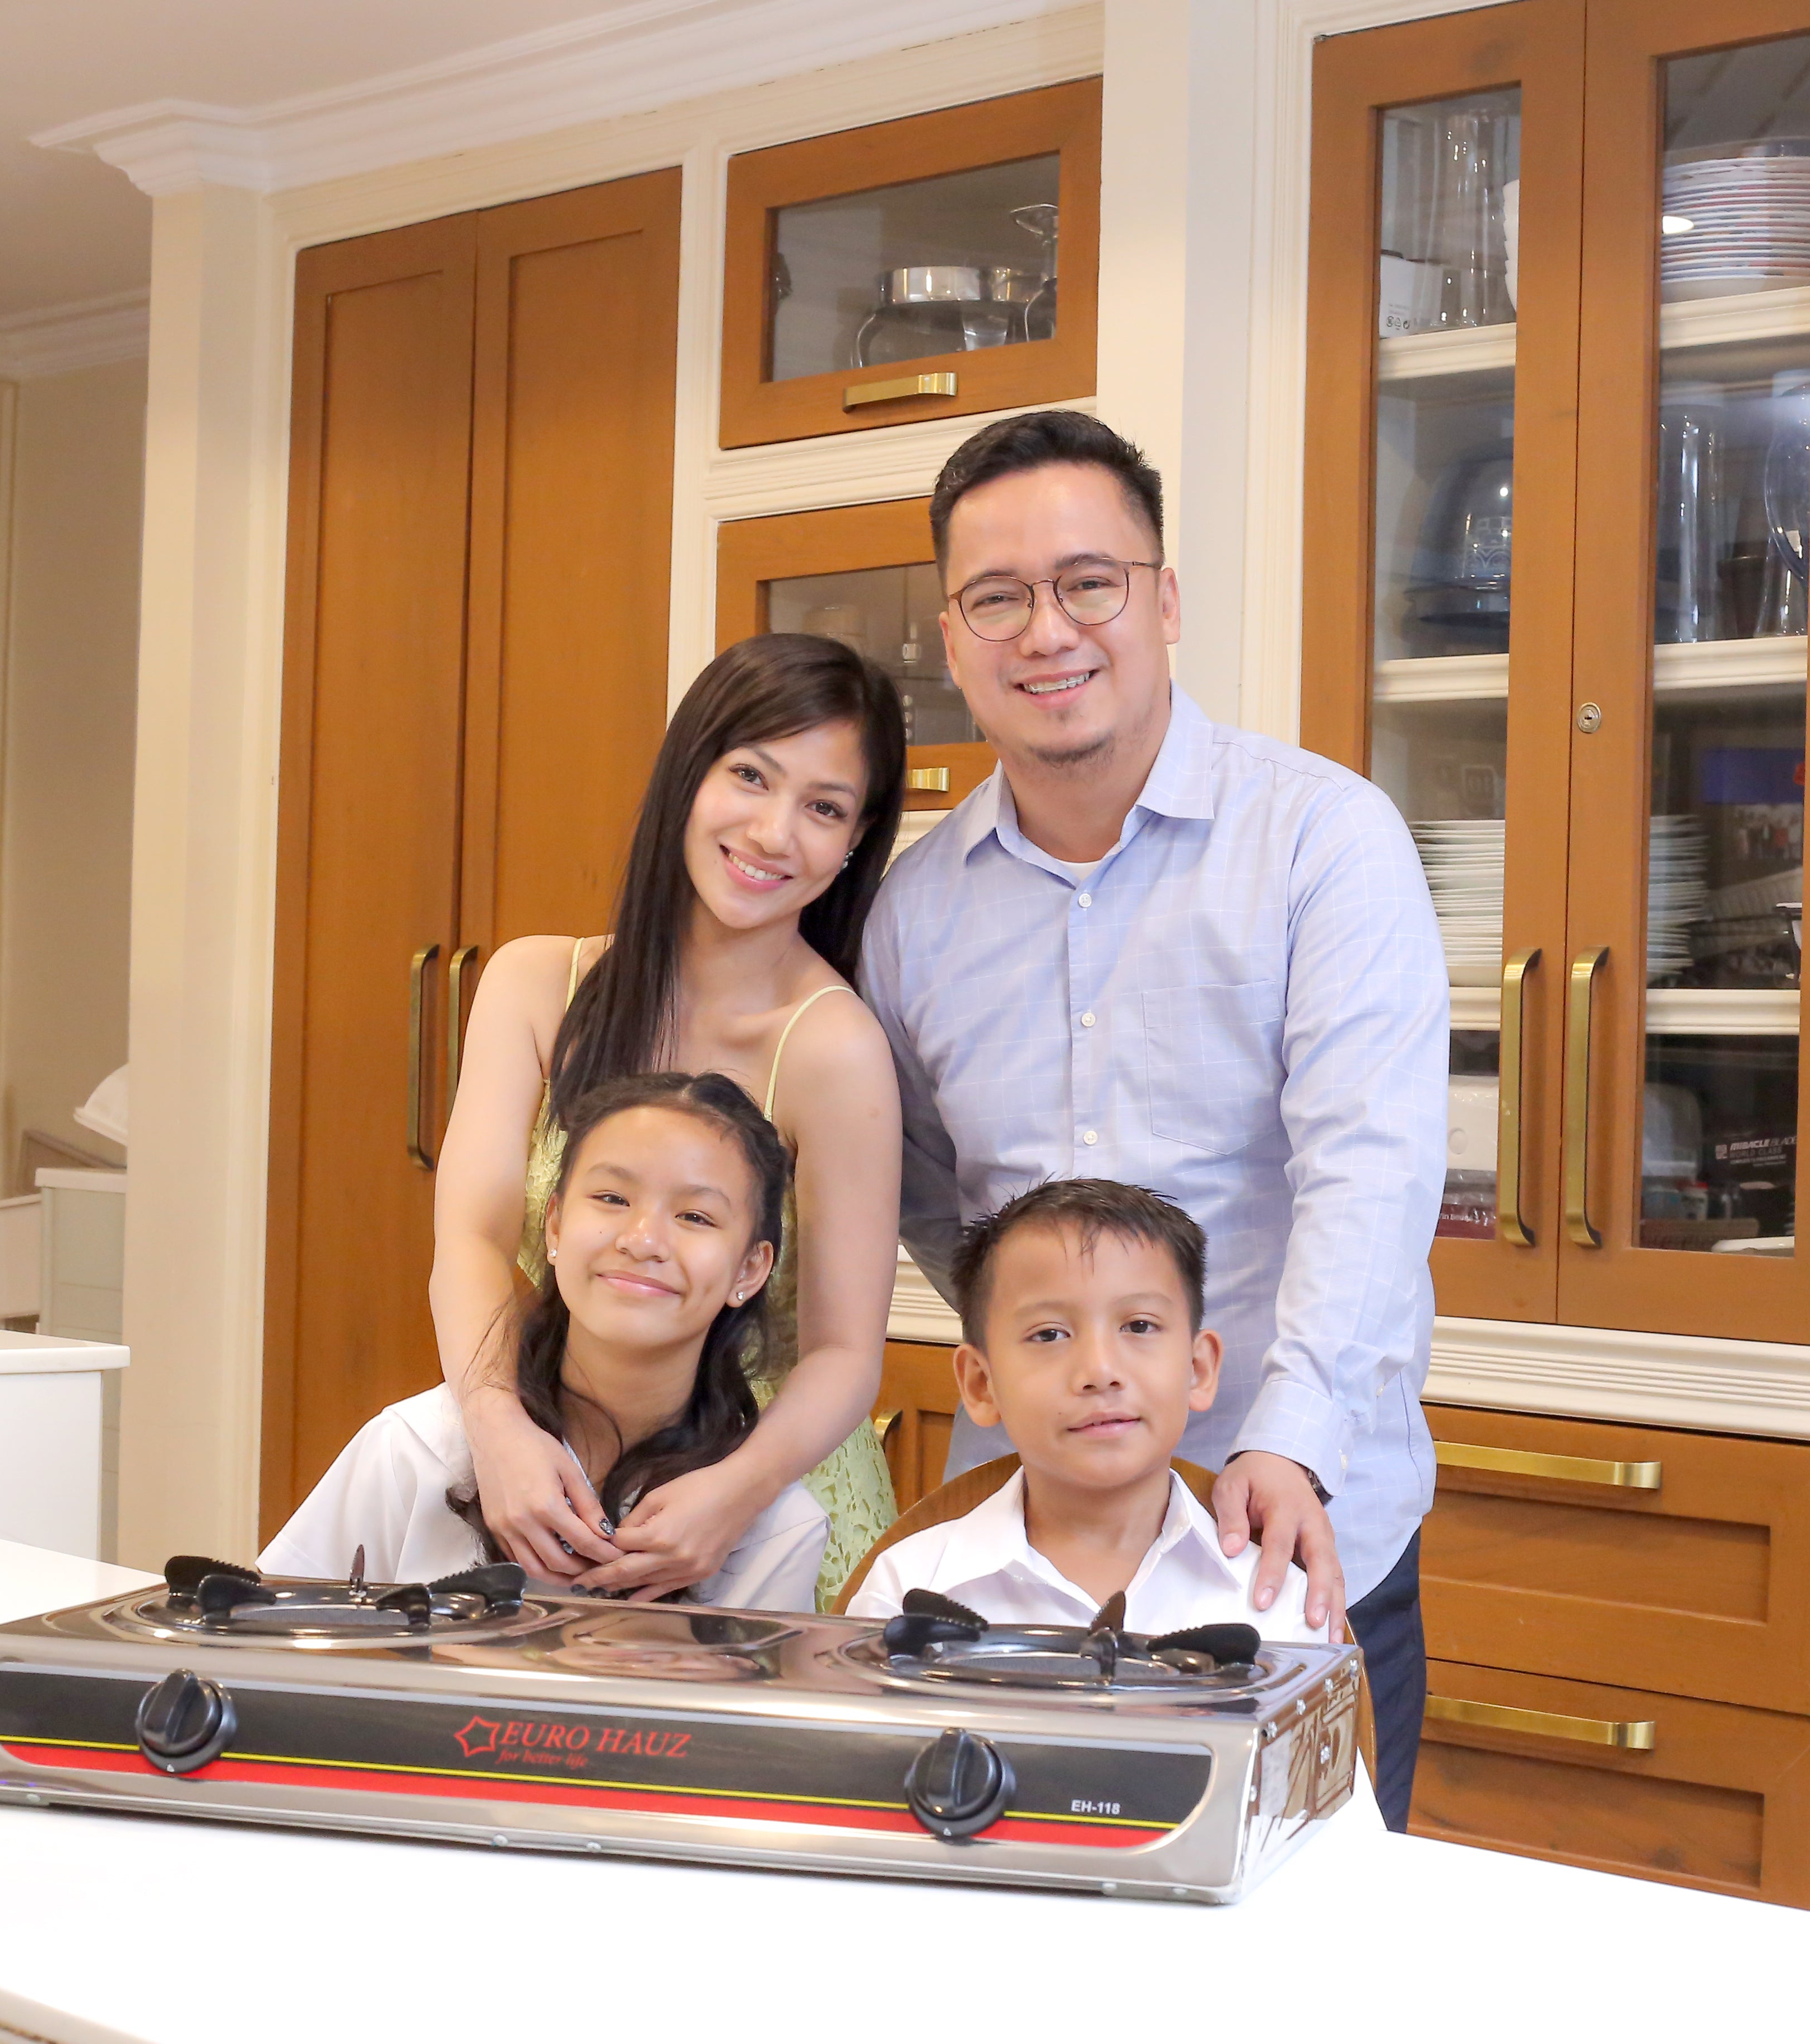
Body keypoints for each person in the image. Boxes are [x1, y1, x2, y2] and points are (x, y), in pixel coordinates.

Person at [857, 410, 1447, 1828]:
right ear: (953, 641)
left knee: (1308, 1923)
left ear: (1165, 601)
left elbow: (1371, 1172)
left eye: (1090, 583)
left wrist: (1290, 1438)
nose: (1048, 631)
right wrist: (1047, 1358)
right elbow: (936, 1206)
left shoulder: (1322, 840)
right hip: (1014, 1563)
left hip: (1290, 1534)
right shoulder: (912, 911)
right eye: (999, 598)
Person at [429, 634, 906, 1609]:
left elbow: (845, 1353)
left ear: (855, 840)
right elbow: (470, 1240)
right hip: (552, 1473)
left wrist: (736, 1493)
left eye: (823, 808)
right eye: (750, 776)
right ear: (689, 772)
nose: (773, 832)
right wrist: (498, 1427)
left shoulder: (834, 1047)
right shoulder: (532, 984)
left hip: (766, 1503)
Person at [845, 1179, 1382, 1829]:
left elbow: (1330, 1847)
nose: (1100, 1370)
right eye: (1049, 1334)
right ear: (981, 1385)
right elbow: (856, 1808)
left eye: (1139, 1326)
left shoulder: (1279, 1605)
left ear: (1198, 1369)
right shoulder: (907, 1588)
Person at [263, 1072, 830, 1611]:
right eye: (612, 1198)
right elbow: (266, 1644)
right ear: (554, 1226)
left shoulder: (777, 1530)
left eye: (695, 1216)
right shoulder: (416, 1450)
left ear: (750, 1270)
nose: (642, 1241)